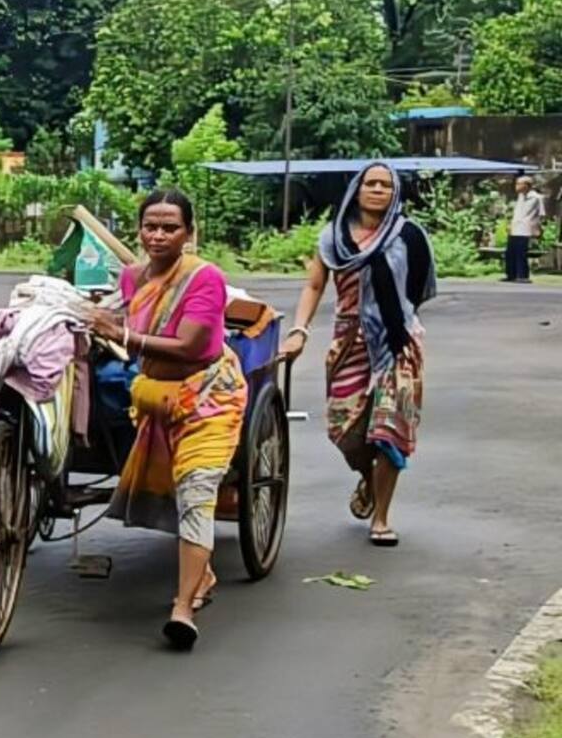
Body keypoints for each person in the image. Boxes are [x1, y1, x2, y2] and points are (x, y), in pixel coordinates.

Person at [88, 188, 242, 652]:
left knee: (196, 493)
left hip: (210, 397)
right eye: (150, 226)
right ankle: (203, 572)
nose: (158, 235)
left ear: (188, 233)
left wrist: (124, 335)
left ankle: (183, 608)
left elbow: (192, 346)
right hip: (158, 396)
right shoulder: (132, 278)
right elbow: (115, 319)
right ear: (139, 230)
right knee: (177, 490)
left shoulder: (205, 279)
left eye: (169, 227)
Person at [280, 163, 436, 547]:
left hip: (398, 345)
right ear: (357, 188)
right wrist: (299, 330)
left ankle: (381, 518)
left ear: (395, 192)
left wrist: (395, 322)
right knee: (345, 431)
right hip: (348, 342)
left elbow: (418, 288)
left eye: (386, 184)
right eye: (371, 183)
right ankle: (368, 476)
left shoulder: (411, 236)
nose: (378, 190)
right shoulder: (333, 238)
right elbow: (315, 285)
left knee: (389, 432)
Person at [506, 175, 545, 284]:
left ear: (526, 185)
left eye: (519, 184)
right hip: (515, 227)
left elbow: (540, 214)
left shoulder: (536, 198)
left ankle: (522, 275)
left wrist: (538, 228)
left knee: (521, 253)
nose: (516, 186)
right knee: (510, 252)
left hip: (526, 228)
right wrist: (511, 224)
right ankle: (511, 274)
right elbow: (517, 213)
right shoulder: (520, 197)